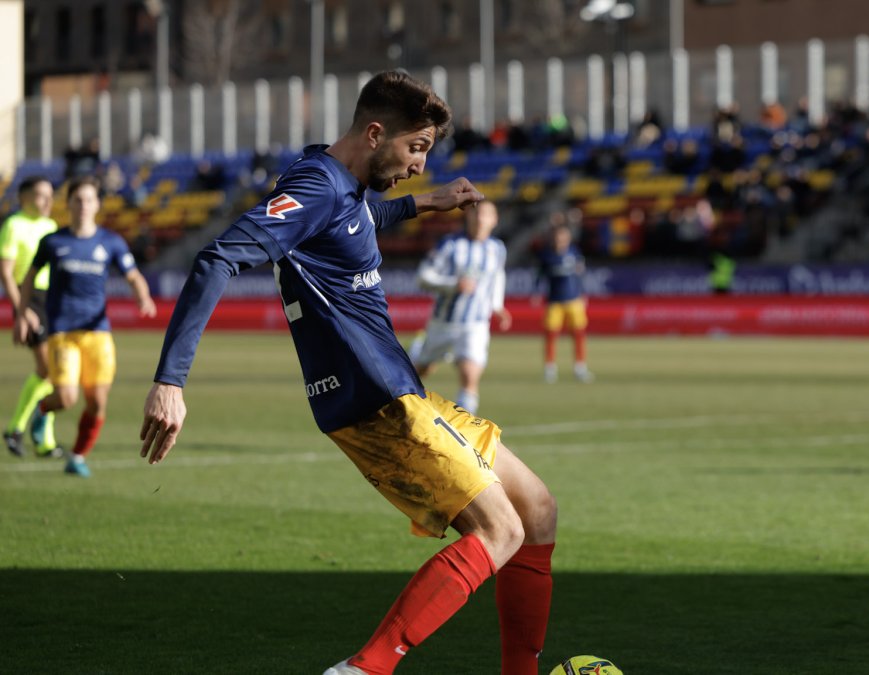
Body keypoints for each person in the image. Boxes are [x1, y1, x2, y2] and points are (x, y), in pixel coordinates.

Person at [138, 72, 556, 675]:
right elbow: (218, 257)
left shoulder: (341, 183)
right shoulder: (317, 185)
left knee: (538, 509)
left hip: (401, 388)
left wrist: (425, 202)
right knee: (502, 530)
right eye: (416, 149)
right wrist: (171, 380)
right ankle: (364, 670)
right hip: (375, 400)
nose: (419, 164)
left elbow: (354, 220)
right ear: (376, 132)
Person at [15, 176, 157, 477]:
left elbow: (133, 276)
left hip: (98, 333)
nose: (83, 206)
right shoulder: (53, 241)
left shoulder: (111, 242)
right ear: (69, 205)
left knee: (97, 403)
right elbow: (29, 278)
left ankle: (78, 456)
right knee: (67, 397)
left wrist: (143, 296)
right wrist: (23, 311)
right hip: (62, 332)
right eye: (77, 200)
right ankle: (42, 410)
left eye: (89, 200)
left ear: (97, 205)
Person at [409, 199, 512, 415]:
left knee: (469, 374)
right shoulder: (450, 245)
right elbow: (423, 277)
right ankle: (418, 353)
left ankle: (466, 431)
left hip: (475, 324)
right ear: (468, 217)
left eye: (485, 214)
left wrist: (497, 306)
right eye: (476, 214)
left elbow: (497, 276)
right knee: (422, 371)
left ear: (494, 220)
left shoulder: (497, 249)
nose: (480, 219)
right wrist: (453, 285)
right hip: (443, 322)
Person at [2, 176, 63, 457]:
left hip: (52, 299)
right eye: (41, 195)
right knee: (48, 369)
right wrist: (22, 310)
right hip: (31, 301)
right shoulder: (14, 225)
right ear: (24, 198)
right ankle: (26, 431)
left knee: (51, 373)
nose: (48, 201)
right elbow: (6, 272)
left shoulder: (51, 227)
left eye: (50, 194)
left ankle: (34, 437)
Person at [534, 221, 592, 383]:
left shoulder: (574, 253)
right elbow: (539, 275)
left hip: (574, 300)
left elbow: (580, 275)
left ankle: (580, 368)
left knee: (579, 335)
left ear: (568, 237)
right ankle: (550, 369)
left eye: (564, 236)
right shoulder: (547, 255)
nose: (561, 239)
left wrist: (583, 293)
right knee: (551, 335)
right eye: (558, 236)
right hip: (554, 301)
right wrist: (537, 292)